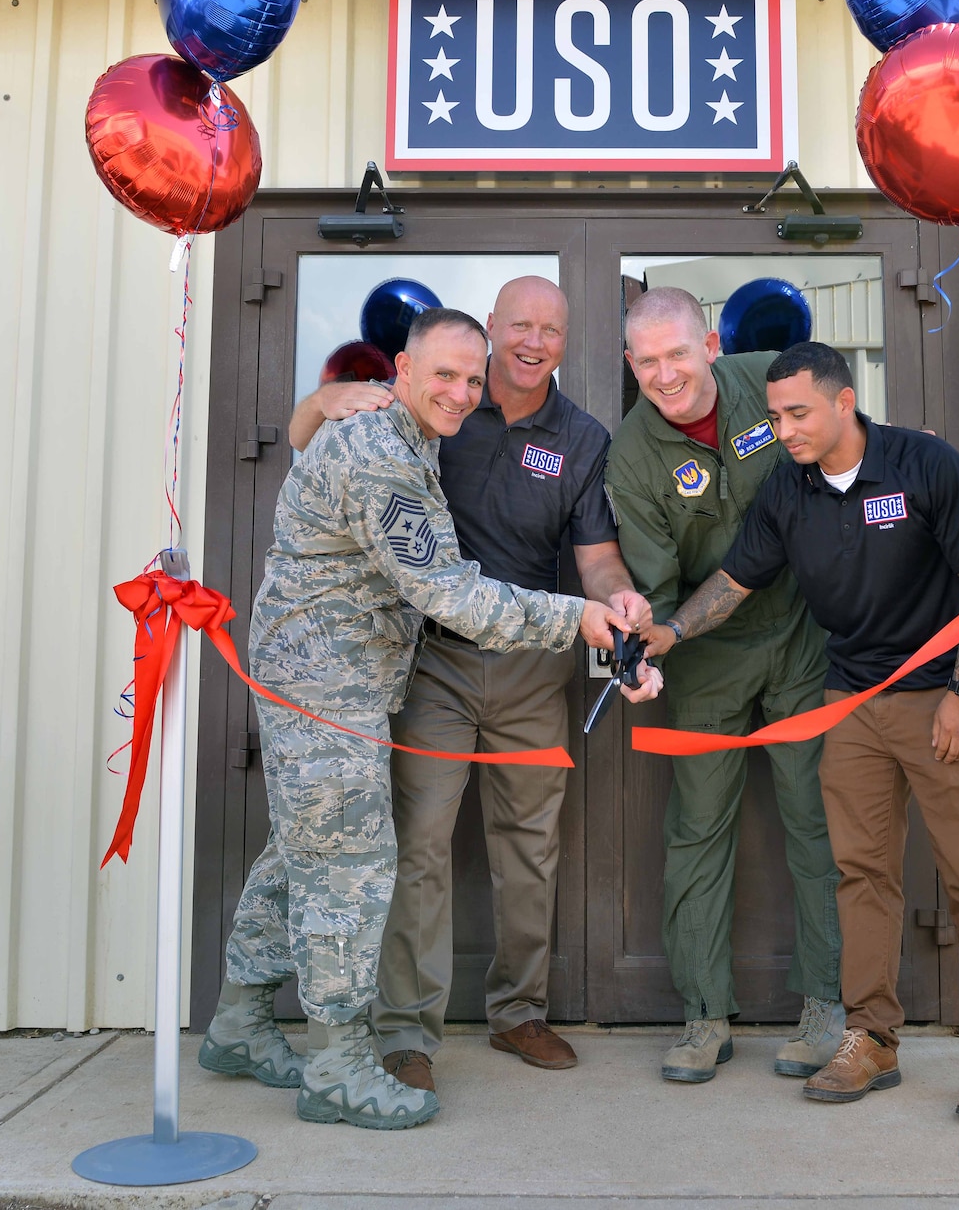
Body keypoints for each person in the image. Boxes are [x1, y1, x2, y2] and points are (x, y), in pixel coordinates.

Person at [197, 307, 661, 1132]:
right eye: (443, 374)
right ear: (401, 372)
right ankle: (339, 1065)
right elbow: (446, 589)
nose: (460, 392)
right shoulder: (381, 452)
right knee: (348, 868)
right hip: (327, 686)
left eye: (471, 379)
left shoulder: (411, 436)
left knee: (299, 853)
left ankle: (240, 1019)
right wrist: (576, 619)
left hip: (340, 680)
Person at [650, 340, 959, 1122]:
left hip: (938, 700)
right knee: (861, 874)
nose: (784, 430)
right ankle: (871, 1035)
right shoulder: (787, 490)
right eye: (775, 416)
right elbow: (736, 579)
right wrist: (671, 632)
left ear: (843, 402)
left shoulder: (925, 465)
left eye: (798, 413)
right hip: (850, 700)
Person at [605, 287, 845, 1085]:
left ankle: (827, 1003)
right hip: (704, 648)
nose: (665, 374)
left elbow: (843, 457)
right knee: (699, 829)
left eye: (678, 353)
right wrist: (647, 649)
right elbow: (656, 586)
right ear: (631, 363)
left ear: (710, 345)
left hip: (802, 632)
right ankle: (705, 1014)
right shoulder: (631, 453)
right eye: (647, 361)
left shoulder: (769, 381)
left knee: (817, 816)